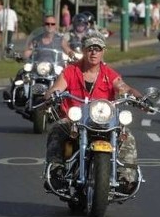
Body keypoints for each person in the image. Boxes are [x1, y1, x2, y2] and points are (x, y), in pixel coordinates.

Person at [43, 33, 146, 194]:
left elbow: (123, 87)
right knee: (57, 128)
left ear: (103, 52)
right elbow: (57, 87)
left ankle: (126, 178)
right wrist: (51, 95)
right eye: (90, 49)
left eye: (97, 49)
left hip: (104, 121)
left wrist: (139, 98)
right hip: (75, 122)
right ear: (84, 50)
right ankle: (56, 172)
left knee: (127, 135)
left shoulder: (108, 73)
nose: (93, 53)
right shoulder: (71, 71)